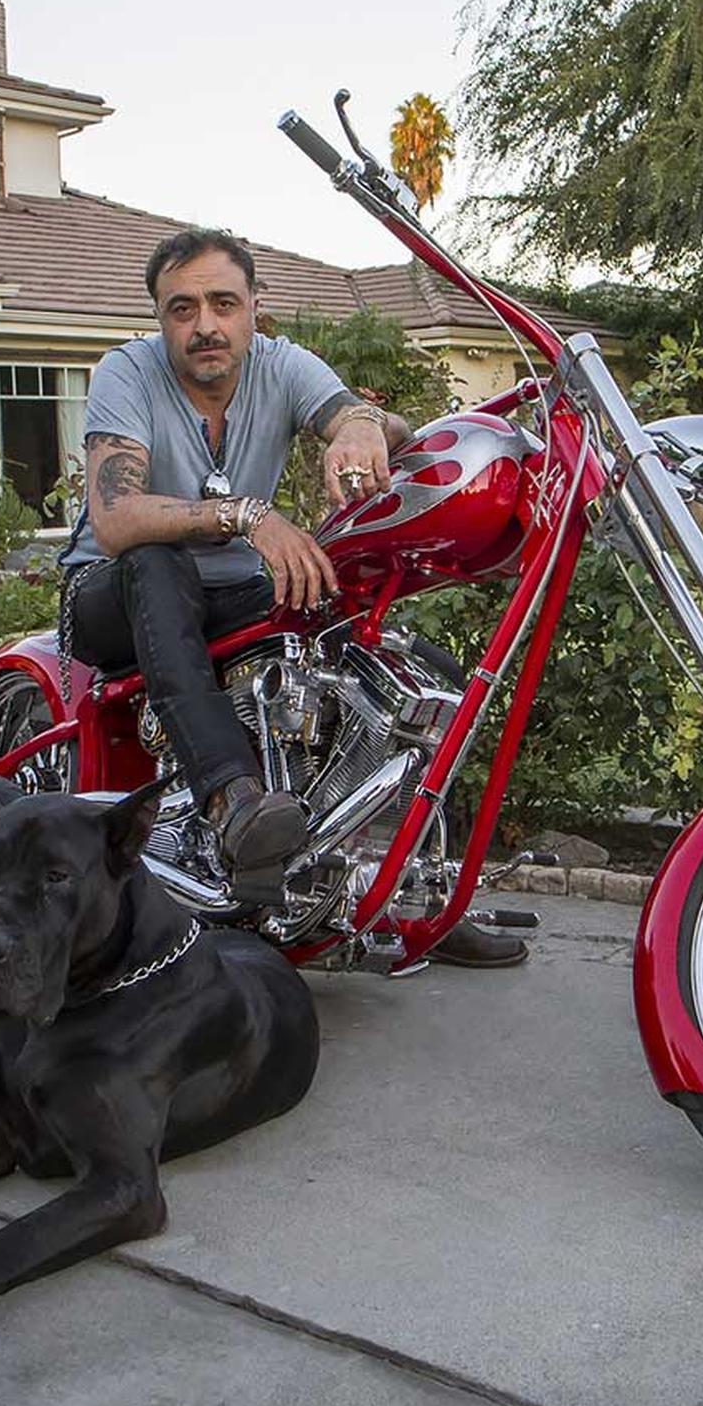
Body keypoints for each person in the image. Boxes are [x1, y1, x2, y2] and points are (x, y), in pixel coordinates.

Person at [58, 227, 525, 968]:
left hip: (233, 592)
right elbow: (117, 519)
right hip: (112, 595)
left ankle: (416, 896)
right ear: (159, 318)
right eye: (182, 308)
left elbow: (359, 417)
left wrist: (362, 429)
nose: (204, 324)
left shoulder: (282, 365)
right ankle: (233, 801)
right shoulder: (128, 373)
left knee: (371, 632)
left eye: (222, 302)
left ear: (253, 309)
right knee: (158, 562)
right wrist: (248, 515)